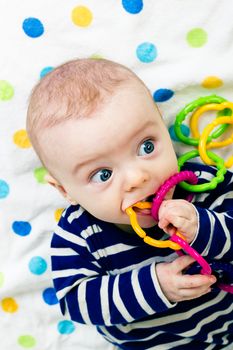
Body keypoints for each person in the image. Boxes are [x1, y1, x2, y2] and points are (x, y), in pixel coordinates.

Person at [26, 58, 233, 349]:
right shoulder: (79, 235)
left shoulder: (201, 185)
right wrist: (156, 286)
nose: (137, 177)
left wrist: (203, 227)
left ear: (163, 125)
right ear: (65, 191)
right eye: (103, 174)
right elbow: (77, 303)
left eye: (146, 146)